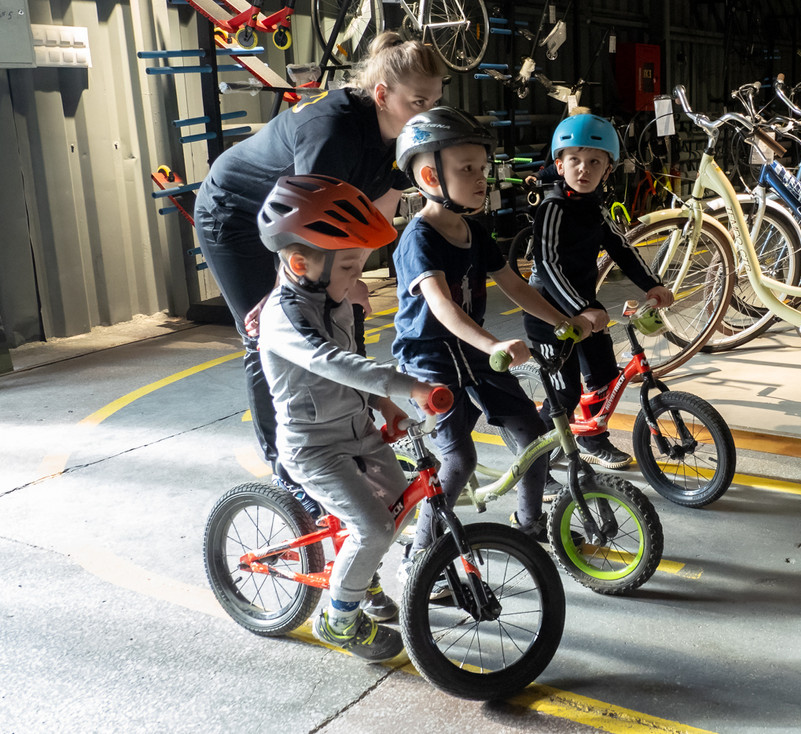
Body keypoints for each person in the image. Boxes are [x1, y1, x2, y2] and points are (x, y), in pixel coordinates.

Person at [193, 32, 445, 488]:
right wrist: (280, 293)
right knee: (270, 331)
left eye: (434, 102)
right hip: (235, 215)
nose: (426, 114)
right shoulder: (333, 130)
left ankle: (357, 436)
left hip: (295, 221)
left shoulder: (401, 140)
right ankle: (287, 469)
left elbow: (377, 219)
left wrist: (354, 277)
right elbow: (303, 226)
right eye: (418, 102)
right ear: (383, 95)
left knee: (343, 311)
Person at [389, 107, 590, 573]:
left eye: (484, 169)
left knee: (534, 438)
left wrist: (565, 321)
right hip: (430, 359)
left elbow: (516, 287)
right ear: (428, 175)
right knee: (458, 460)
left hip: (475, 355)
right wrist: (493, 345)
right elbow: (441, 305)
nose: (482, 179)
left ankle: (530, 526)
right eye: (467, 170)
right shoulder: (418, 238)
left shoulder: (476, 231)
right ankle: (420, 555)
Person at [256, 174, 439, 661]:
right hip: (314, 447)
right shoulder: (284, 315)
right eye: (352, 267)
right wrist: (408, 385)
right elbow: (330, 361)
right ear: (300, 264)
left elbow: (352, 352)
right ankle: (337, 622)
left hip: (358, 430)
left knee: (397, 506)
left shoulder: (331, 298)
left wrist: (385, 406)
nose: (359, 281)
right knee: (375, 528)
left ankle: (360, 577)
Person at [525, 112, 674, 473]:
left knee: (604, 376)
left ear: (608, 169)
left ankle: (591, 437)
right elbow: (547, 265)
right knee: (564, 395)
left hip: (584, 310)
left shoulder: (595, 208)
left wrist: (652, 283)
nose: (584, 169)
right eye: (574, 160)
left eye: (595, 162)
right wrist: (579, 310)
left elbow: (623, 248)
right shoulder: (553, 208)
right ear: (559, 165)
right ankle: (535, 465)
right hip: (550, 315)